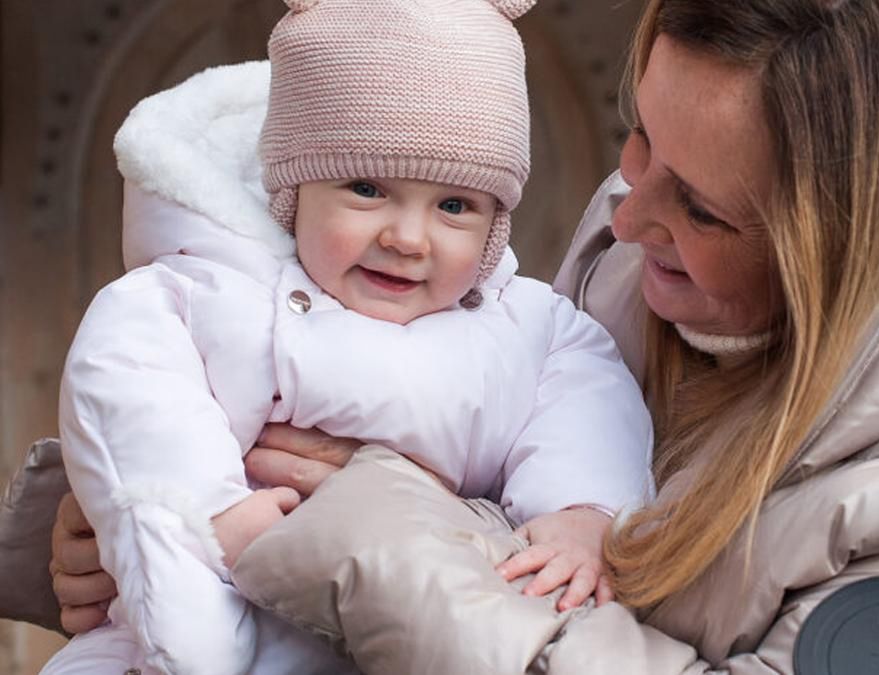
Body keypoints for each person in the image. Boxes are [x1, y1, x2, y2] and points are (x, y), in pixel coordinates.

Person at [2, 0, 879, 672]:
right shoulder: (643, 278)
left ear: (848, 246)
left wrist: (388, 548)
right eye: (637, 138)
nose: (630, 209)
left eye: (704, 207)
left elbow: (421, 529)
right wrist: (129, 524)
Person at [38, 0, 653, 673]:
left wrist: (584, 510)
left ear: (495, 224)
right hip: (191, 618)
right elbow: (131, 382)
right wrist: (207, 514)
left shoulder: (524, 330)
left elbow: (589, 405)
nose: (407, 237)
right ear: (293, 191)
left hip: (396, 643)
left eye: (455, 206)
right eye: (366, 187)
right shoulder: (213, 292)